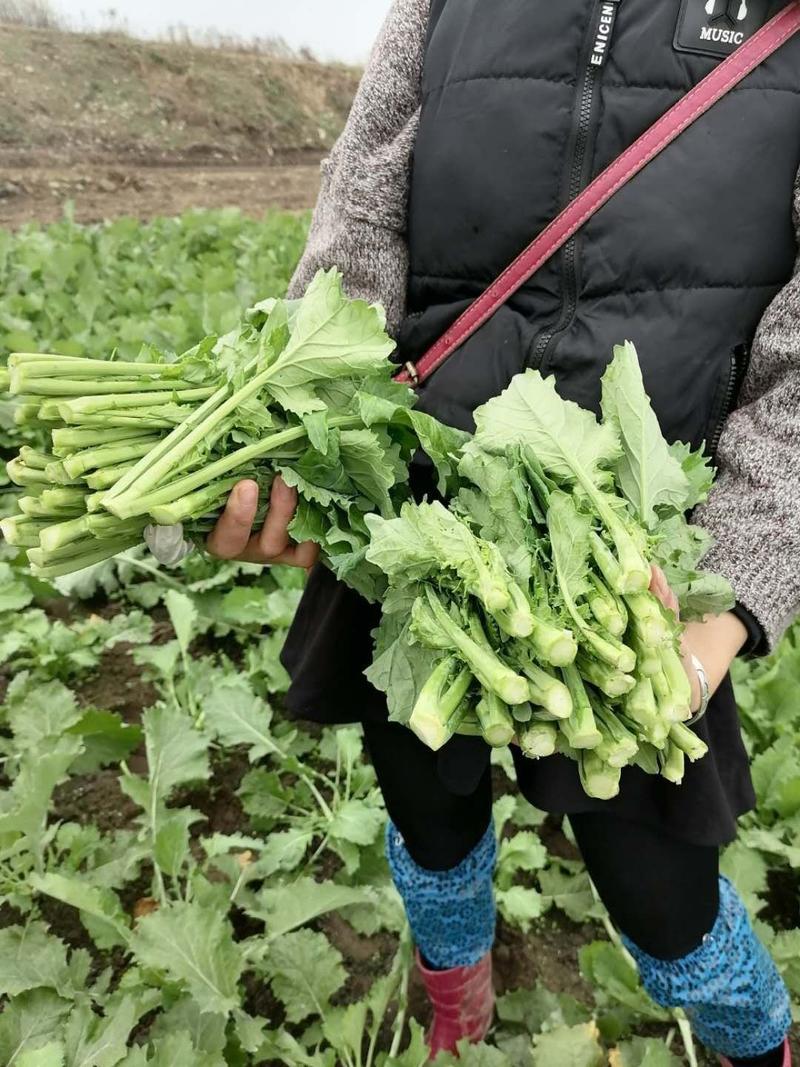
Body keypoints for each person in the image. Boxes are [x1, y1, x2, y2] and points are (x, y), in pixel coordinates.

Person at [206, 2, 800, 1064]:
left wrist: (725, 601)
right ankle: (458, 1004)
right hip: (420, 511)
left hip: (636, 571)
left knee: (660, 891)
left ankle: (756, 1040)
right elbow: (356, 231)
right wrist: (292, 428)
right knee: (427, 803)